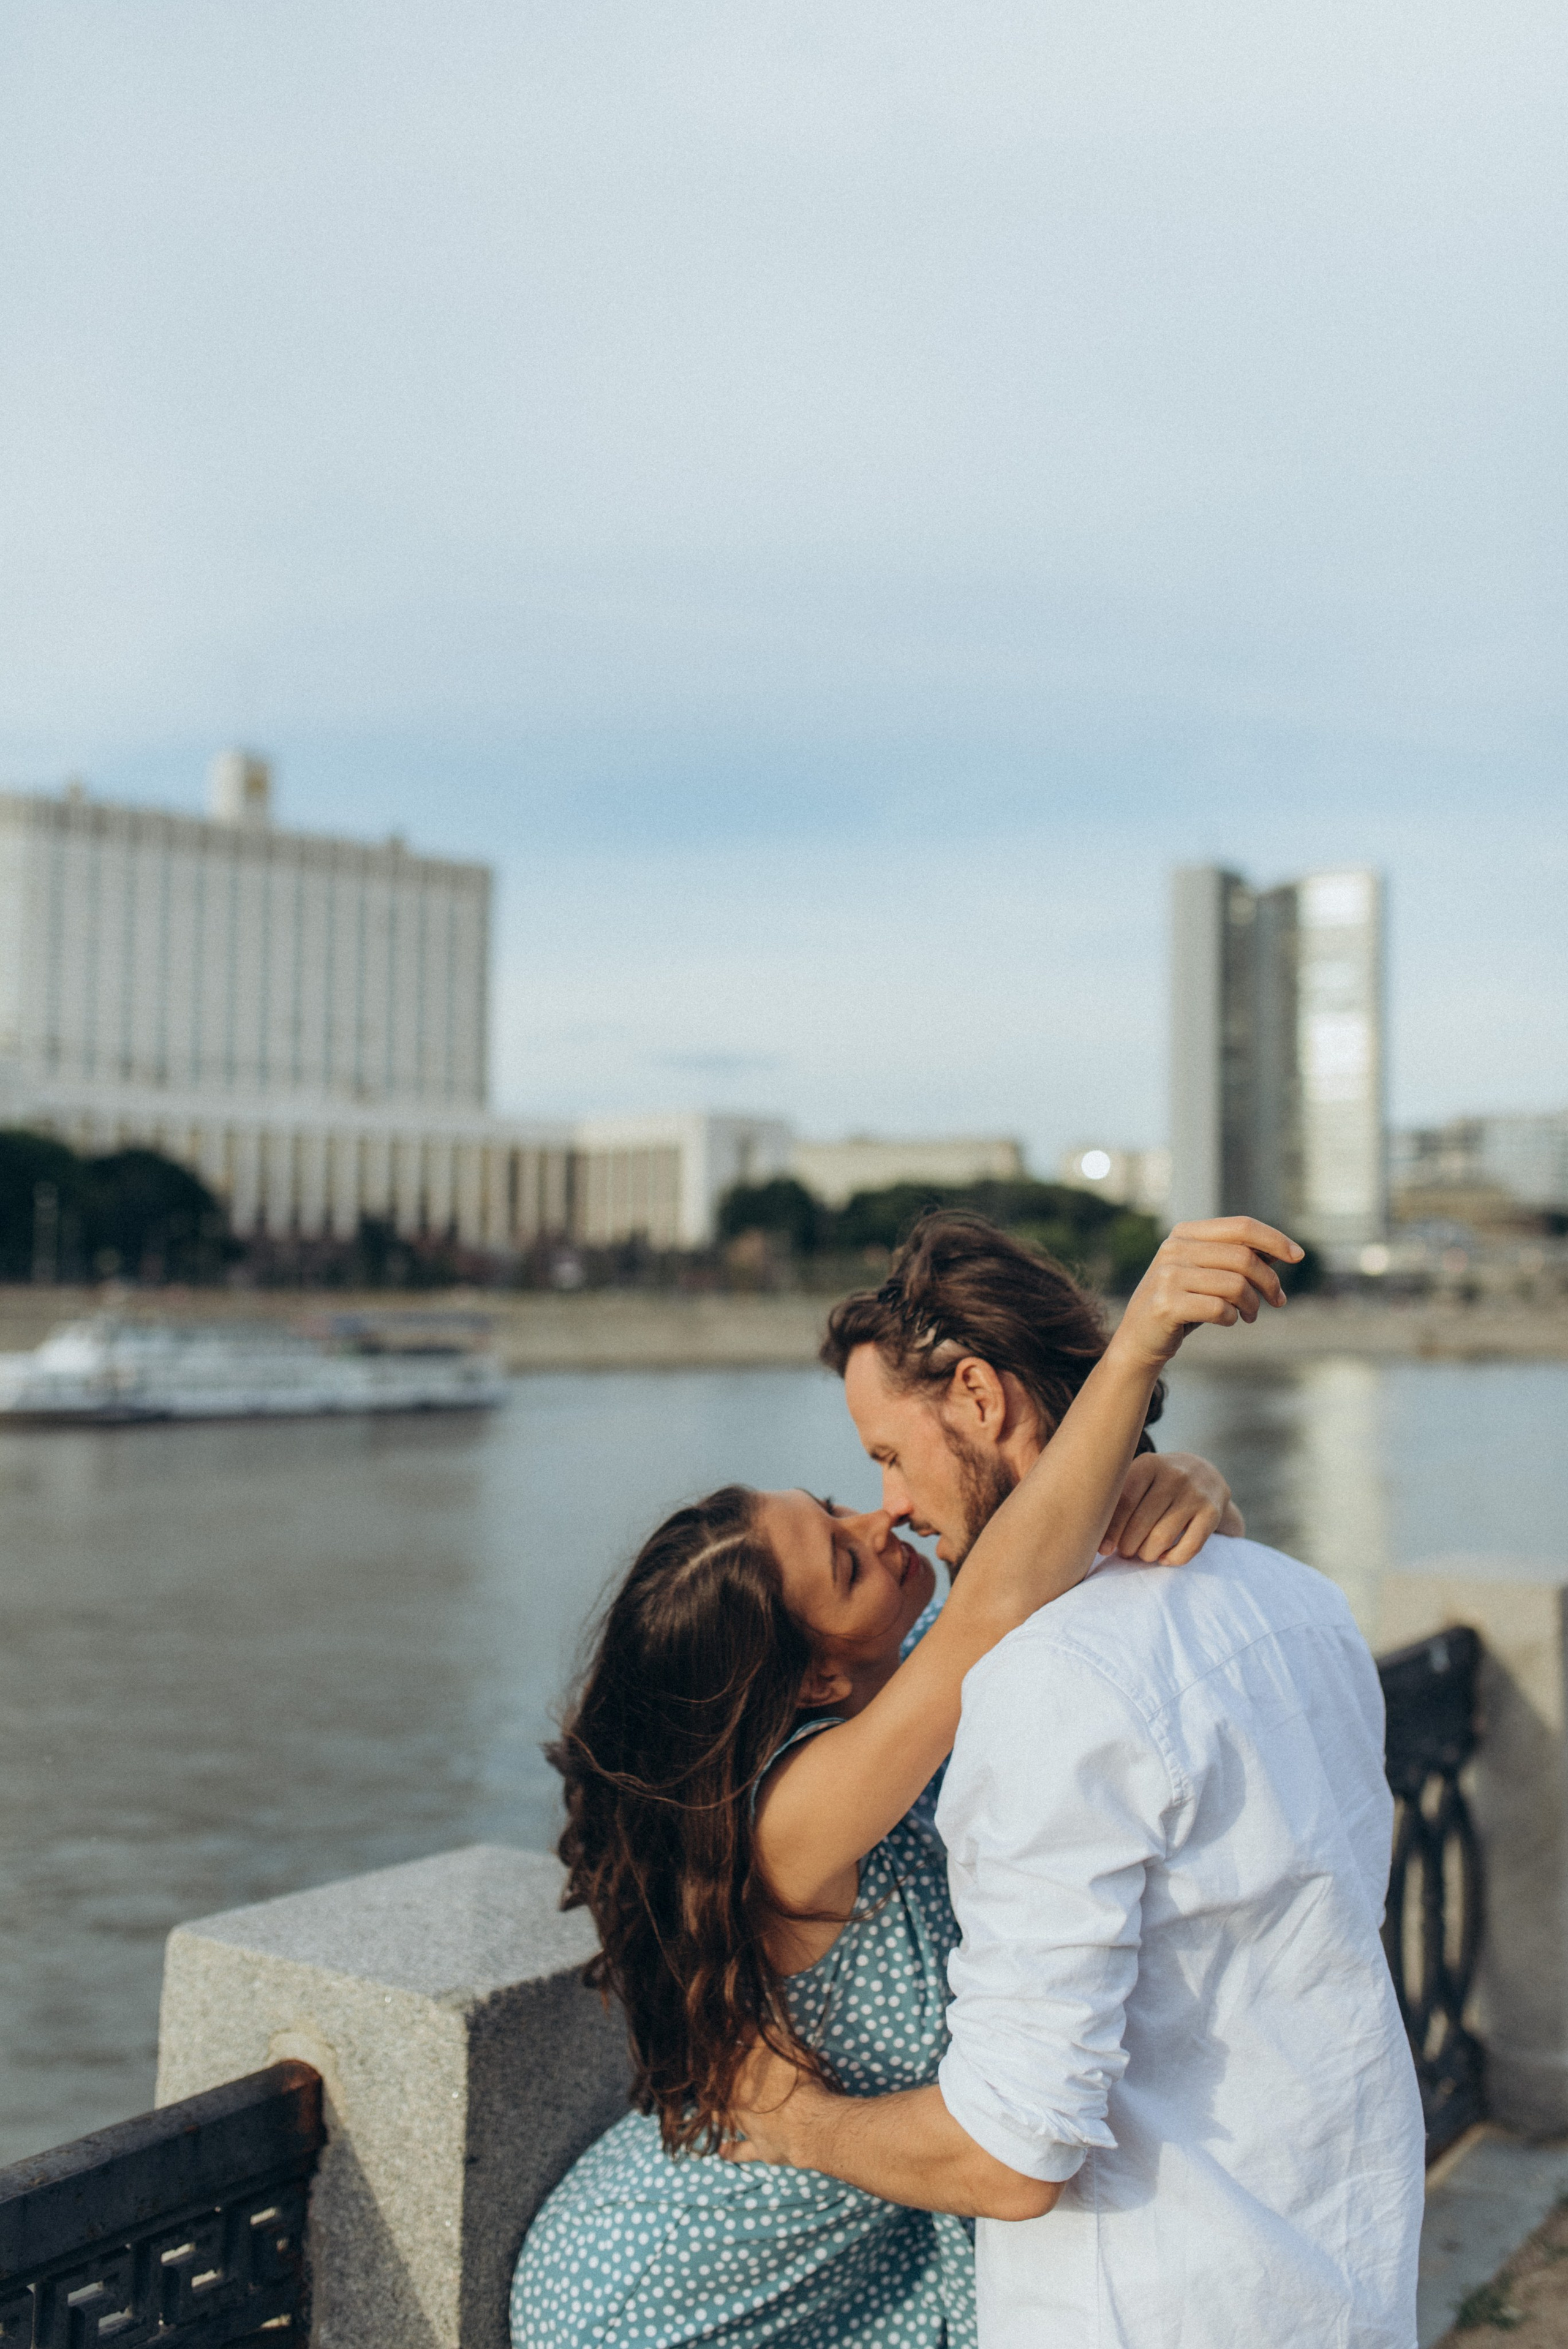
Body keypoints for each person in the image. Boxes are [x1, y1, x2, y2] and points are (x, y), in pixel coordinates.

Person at [510, 1215, 1289, 2349]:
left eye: (836, 1502)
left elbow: (1042, 1567)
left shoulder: (893, 1680)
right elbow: (1001, 1604)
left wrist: (1185, 1481)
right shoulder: (796, 1820)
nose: (875, 1517)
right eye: (838, 1553)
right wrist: (1136, 1352)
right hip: (670, 2300)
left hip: (854, 2260)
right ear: (816, 1669)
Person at [726, 1211, 1426, 2348]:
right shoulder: (1302, 1600)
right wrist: (1167, 1452)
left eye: (886, 1456)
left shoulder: (1045, 1678)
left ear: (979, 1395)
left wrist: (791, 2123)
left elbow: (1013, 2157)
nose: (891, 1505)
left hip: (1145, 2303)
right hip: (1341, 2269)